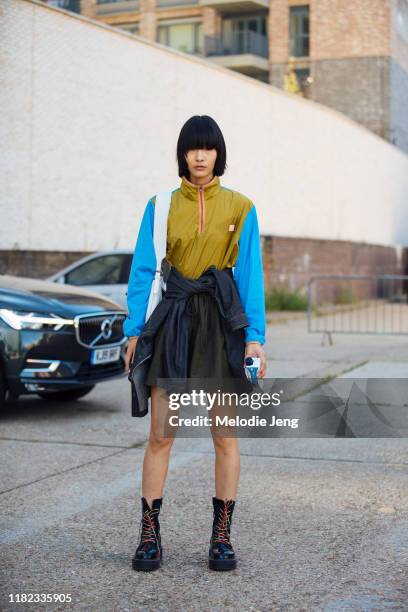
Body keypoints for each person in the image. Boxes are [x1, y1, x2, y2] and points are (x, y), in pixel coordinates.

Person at [123, 115, 266, 572]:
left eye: (207, 149)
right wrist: (133, 331)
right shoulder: (160, 204)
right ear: (182, 154)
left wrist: (254, 339)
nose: (199, 157)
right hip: (174, 319)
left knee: (224, 435)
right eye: (191, 149)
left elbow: (250, 277)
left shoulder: (241, 206)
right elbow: (144, 271)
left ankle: (221, 538)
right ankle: (149, 535)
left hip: (222, 321)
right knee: (161, 433)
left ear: (218, 153)